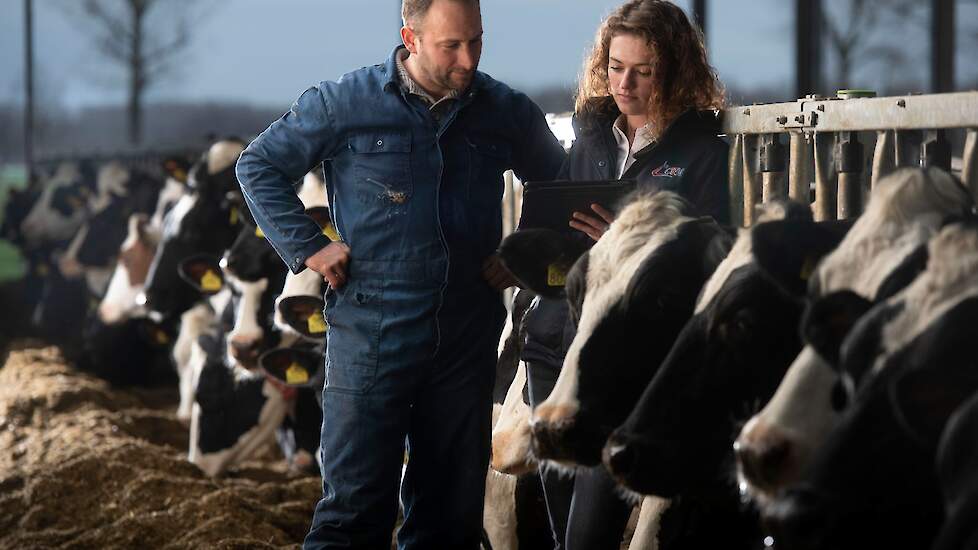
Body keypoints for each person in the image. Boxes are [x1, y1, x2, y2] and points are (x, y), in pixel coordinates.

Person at [235, 0, 566, 547]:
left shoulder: (504, 109)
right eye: (451, 46)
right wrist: (310, 248)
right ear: (410, 39)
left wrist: (520, 254)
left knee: (449, 517)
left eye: (476, 42)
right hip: (371, 330)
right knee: (353, 512)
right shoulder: (345, 103)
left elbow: (556, 182)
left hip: (464, 332)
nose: (468, 59)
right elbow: (258, 166)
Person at [519, 1, 729, 548]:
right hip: (554, 345)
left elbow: (711, 248)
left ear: (675, 71)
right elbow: (561, 228)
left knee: (590, 532)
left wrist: (625, 241)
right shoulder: (589, 138)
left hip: (626, 358)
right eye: (615, 66)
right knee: (564, 525)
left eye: (643, 70)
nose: (625, 83)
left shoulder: (700, 151)